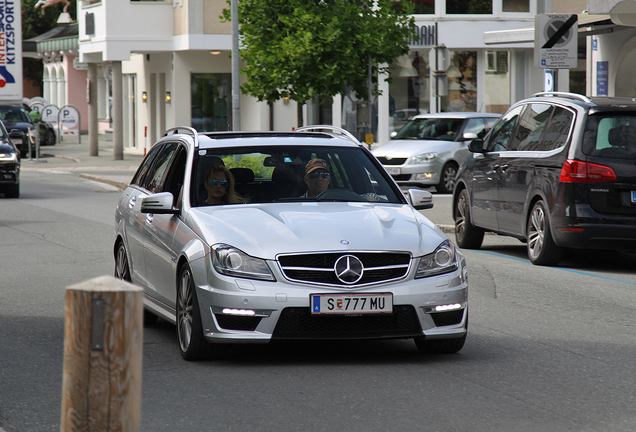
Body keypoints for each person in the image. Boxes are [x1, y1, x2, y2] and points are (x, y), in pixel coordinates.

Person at [300, 158, 378, 201]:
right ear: (306, 179)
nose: (319, 178)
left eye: (324, 175)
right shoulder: (298, 203)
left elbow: (371, 196)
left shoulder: (339, 199)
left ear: (329, 180)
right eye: (314, 175)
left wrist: (369, 199)